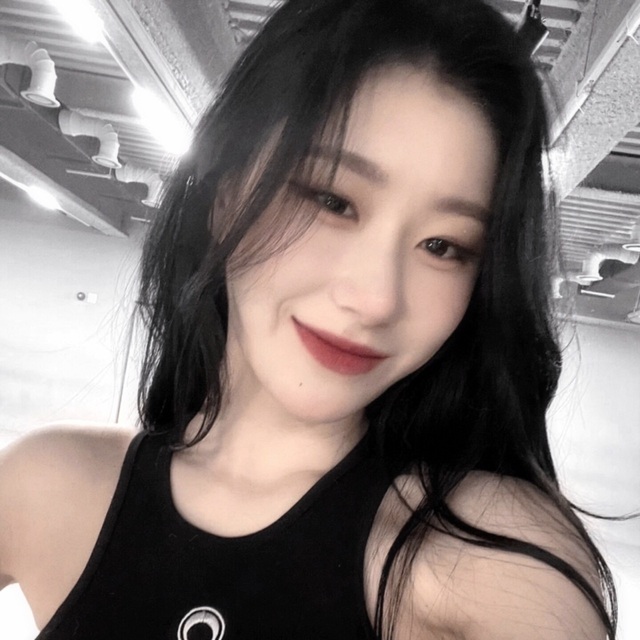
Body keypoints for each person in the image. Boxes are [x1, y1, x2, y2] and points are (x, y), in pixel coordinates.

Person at [0, 0, 617, 638]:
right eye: (333, 200)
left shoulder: (484, 558)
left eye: (444, 246)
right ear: (224, 191)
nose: (377, 300)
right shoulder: (50, 484)